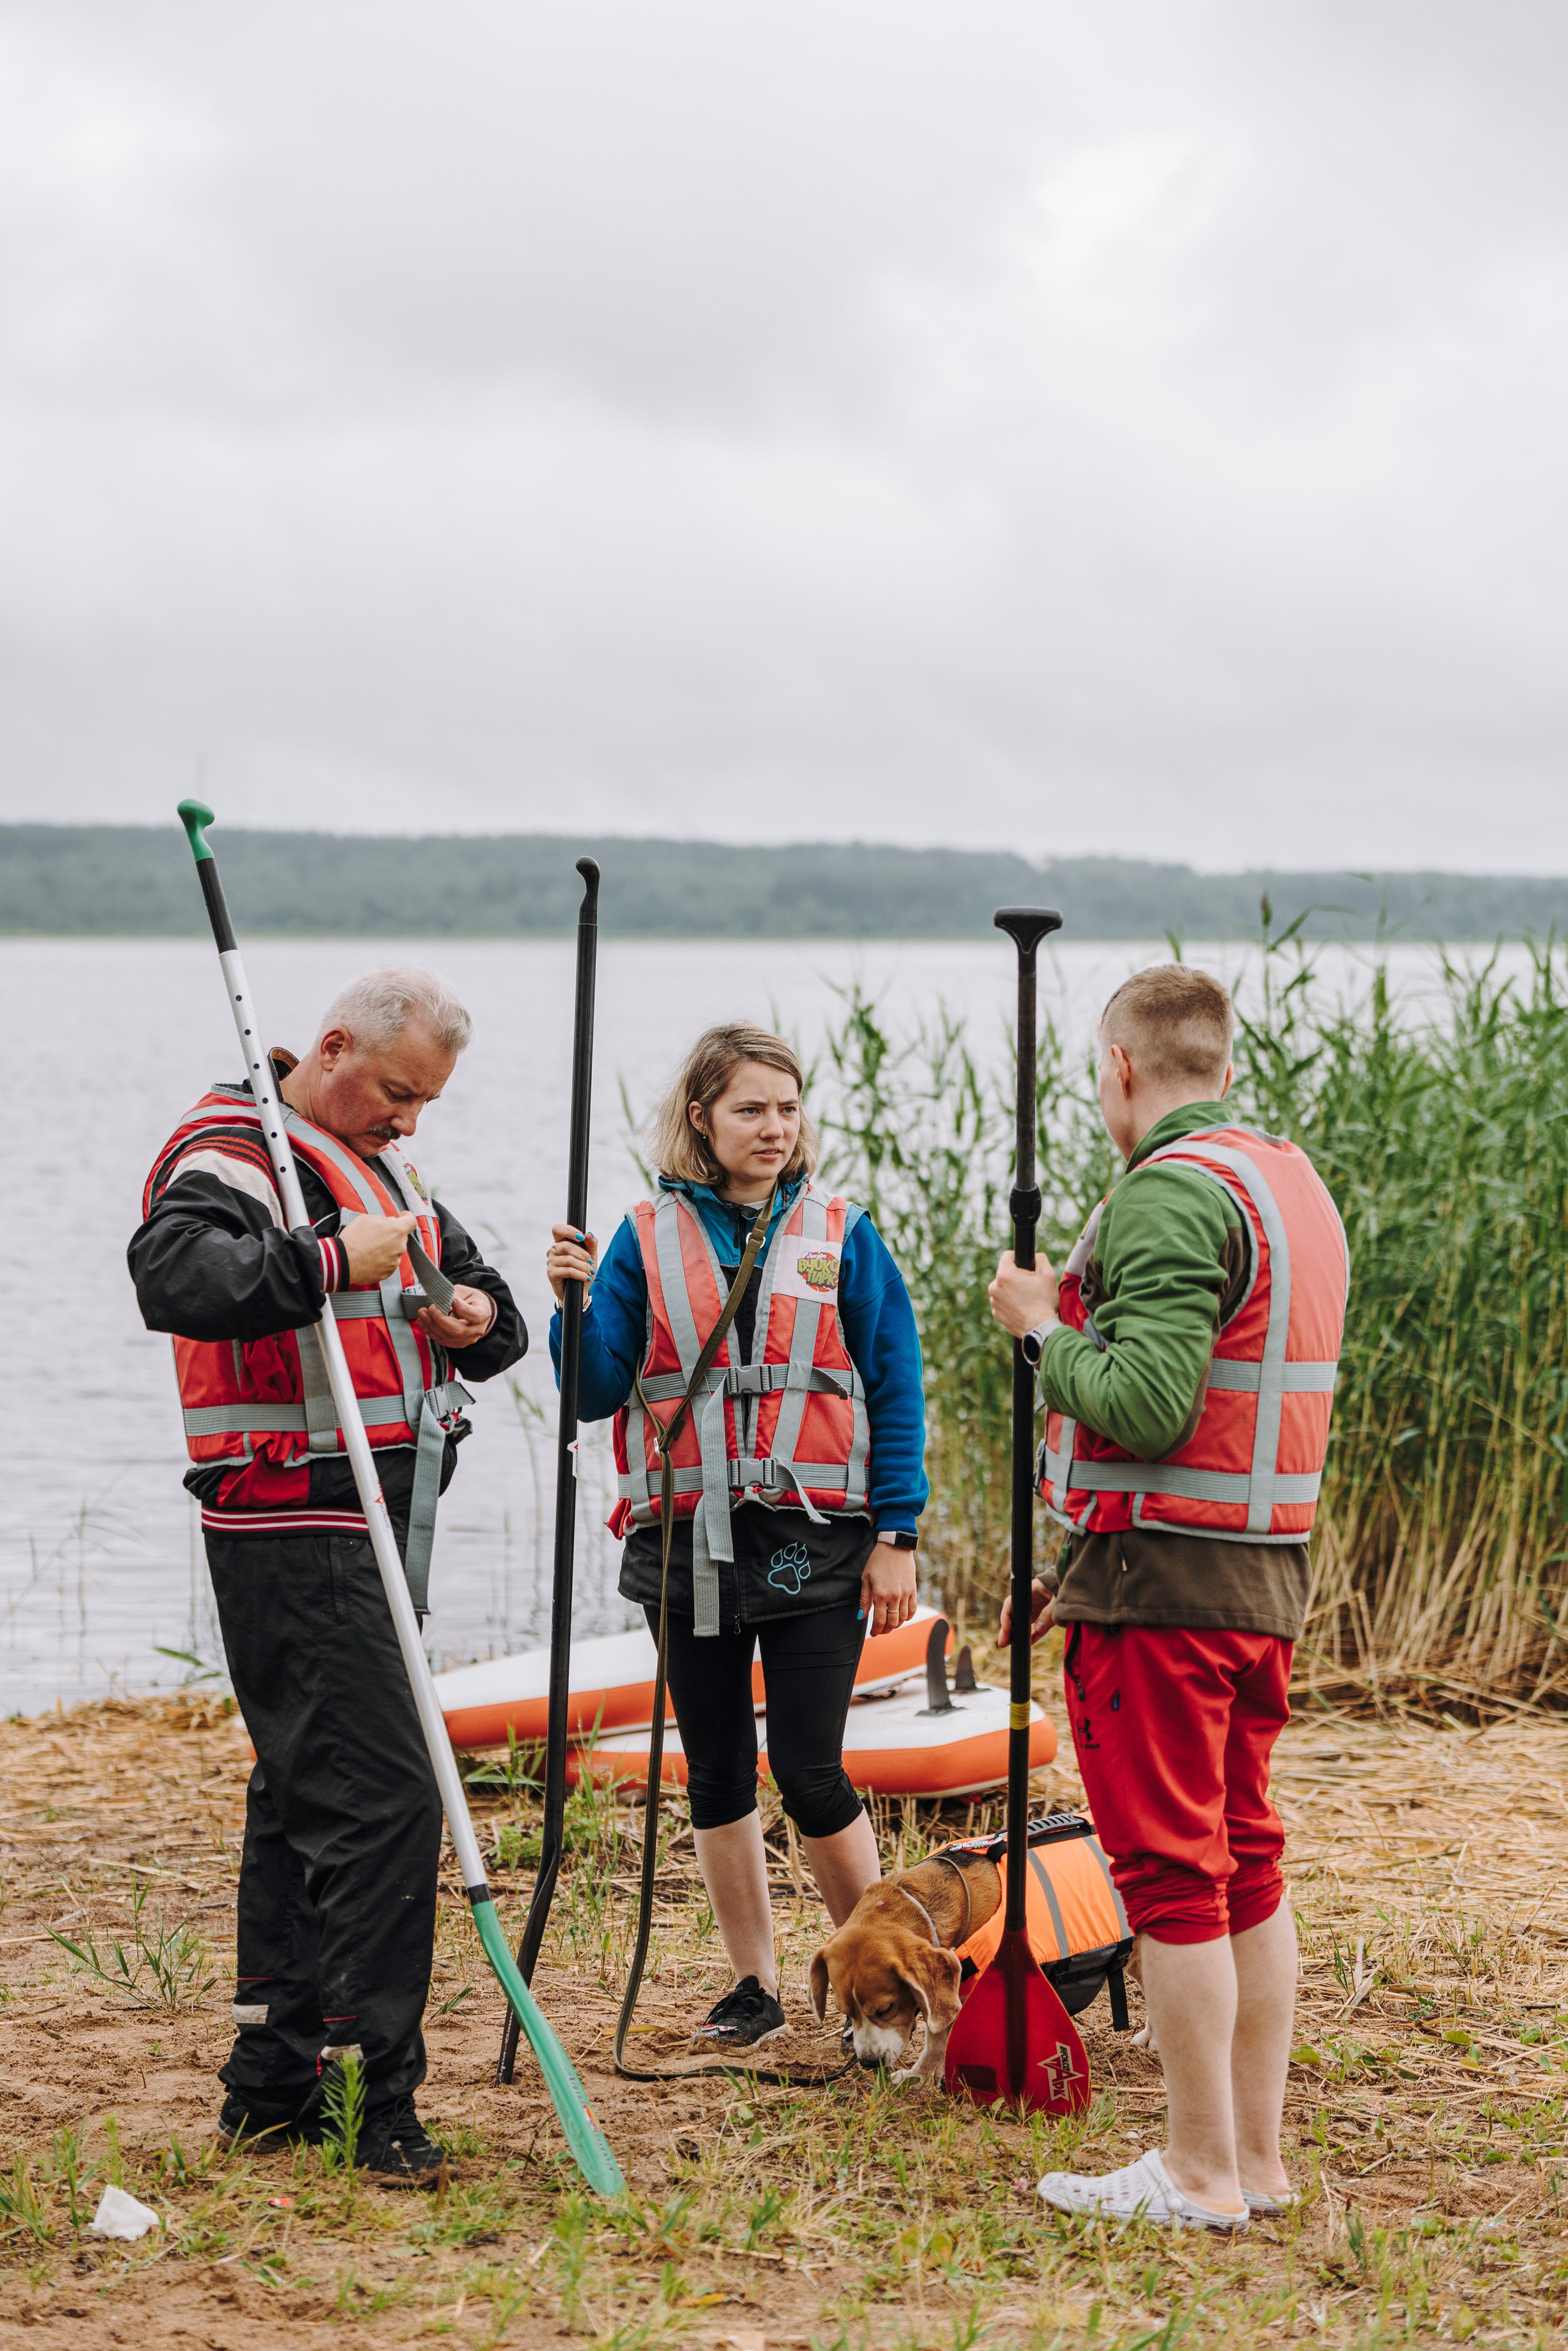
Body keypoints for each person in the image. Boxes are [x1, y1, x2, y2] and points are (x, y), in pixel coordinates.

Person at [129, 968, 526, 2178]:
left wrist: (471, 1312)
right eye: (397, 1091)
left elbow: (501, 1318)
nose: (409, 1121)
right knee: (389, 1799)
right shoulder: (233, 1151)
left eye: (425, 1104)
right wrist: (320, 1261)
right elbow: (173, 1277)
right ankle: (373, 2094)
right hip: (294, 1520)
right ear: (336, 1045)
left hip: (382, 1522)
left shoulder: (386, 1167)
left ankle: (270, 2077)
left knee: (299, 1793)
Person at [990, 965, 1348, 2232]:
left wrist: (1037, 1324)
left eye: (1099, 1073)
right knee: (1245, 1857)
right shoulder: (1286, 1183)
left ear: (1123, 1069)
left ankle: (1195, 2169)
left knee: (1170, 1873)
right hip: (1257, 1574)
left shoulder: (1166, 1194)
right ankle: (1253, 2158)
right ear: (1223, 1061)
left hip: (1165, 1593)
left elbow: (1145, 1403)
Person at [547, 1022, 928, 2047]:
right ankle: (754, 1986)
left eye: (788, 1107)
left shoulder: (842, 1232)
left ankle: (885, 1970)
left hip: (816, 1534)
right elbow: (590, 1391)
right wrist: (570, 1305)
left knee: (809, 1765)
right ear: (702, 1118)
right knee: (715, 1765)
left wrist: (898, 1529)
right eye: (751, 1107)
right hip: (687, 1540)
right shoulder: (642, 1237)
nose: (774, 1126)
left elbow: (895, 1382)